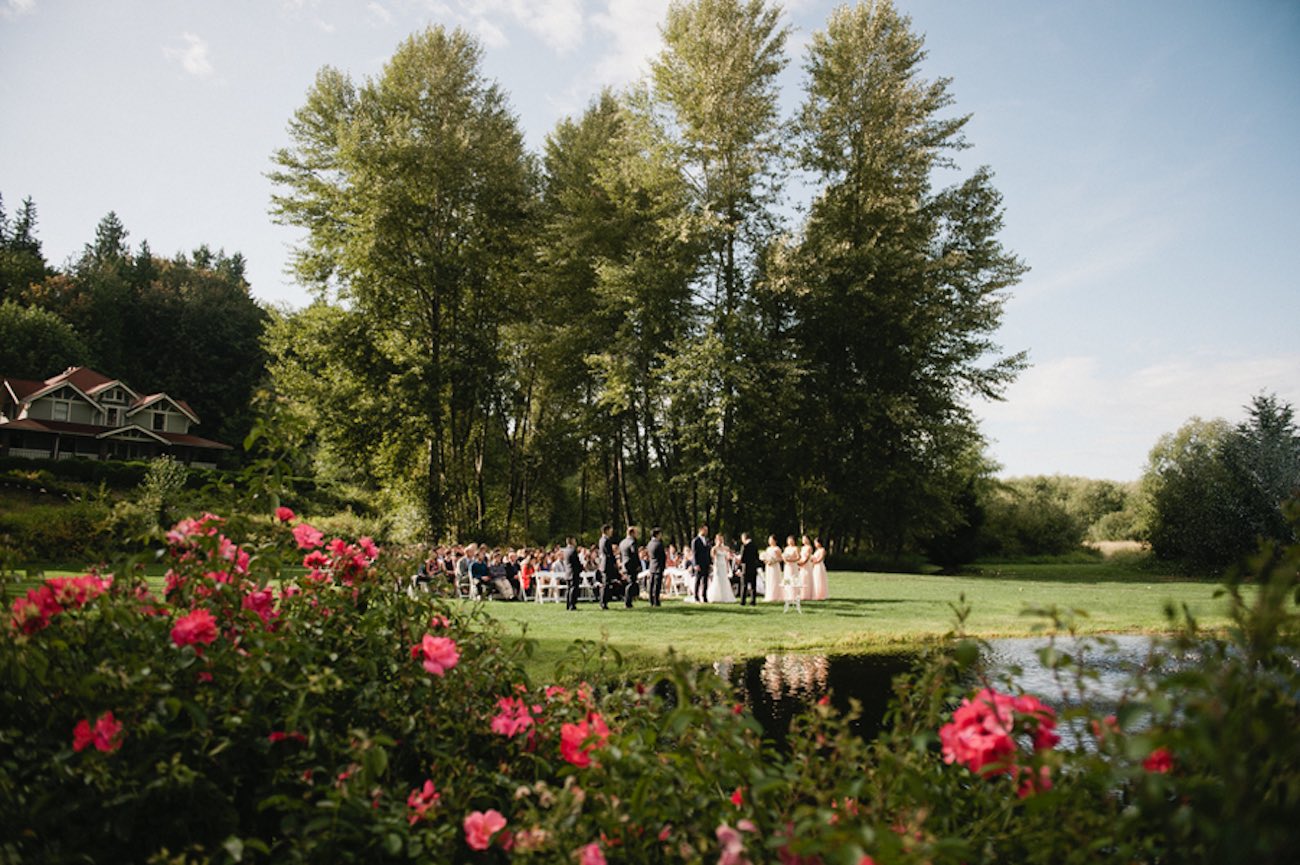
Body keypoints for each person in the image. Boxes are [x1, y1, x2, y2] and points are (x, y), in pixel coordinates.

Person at [708, 532, 737, 603]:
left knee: (724, 580)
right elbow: (712, 558)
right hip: (717, 565)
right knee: (717, 579)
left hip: (723, 565)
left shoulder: (726, 548)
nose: (720, 541)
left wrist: (727, 567)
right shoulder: (714, 548)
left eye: (721, 539)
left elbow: (727, 558)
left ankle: (725, 596)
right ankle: (716, 596)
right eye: (719, 539)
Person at [617, 525, 641, 608]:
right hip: (631, 564)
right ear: (632, 533)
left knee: (629, 582)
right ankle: (627, 601)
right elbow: (634, 554)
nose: (637, 534)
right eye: (636, 532)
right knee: (631, 583)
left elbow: (620, 554)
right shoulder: (632, 542)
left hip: (624, 564)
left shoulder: (622, 542)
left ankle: (628, 600)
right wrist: (638, 564)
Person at [598, 524, 620, 610]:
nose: (612, 532)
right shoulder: (606, 540)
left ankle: (603, 602)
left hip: (604, 563)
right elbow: (609, 554)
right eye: (610, 530)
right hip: (607, 564)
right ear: (607, 530)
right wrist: (615, 563)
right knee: (606, 584)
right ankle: (603, 603)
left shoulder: (601, 540)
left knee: (606, 584)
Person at [645, 526, 666, 607]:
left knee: (651, 584)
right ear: (657, 534)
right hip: (658, 566)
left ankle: (651, 600)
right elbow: (662, 556)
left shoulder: (649, 543)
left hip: (652, 565)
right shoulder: (659, 544)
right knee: (657, 585)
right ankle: (656, 601)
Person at [737, 531, 760, 606]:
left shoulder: (744, 546)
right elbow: (757, 557)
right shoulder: (755, 546)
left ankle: (742, 601)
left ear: (744, 538)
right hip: (753, 567)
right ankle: (753, 601)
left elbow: (743, 559)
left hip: (746, 568)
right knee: (753, 585)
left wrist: (738, 560)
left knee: (744, 585)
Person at [781, 535, 802, 614]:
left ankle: (794, 596)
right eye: (788, 540)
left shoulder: (795, 548)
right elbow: (783, 556)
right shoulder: (786, 548)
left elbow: (798, 557)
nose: (789, 541)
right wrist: (785, 559)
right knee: (787, 580)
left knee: (793, 580)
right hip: (787, 566)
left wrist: (792, 560)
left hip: (793, 566)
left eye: (791, 540)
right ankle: (787, 595)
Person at [691, 524, 711, 603]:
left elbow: (708, 552)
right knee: (698, 580)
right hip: (699, 563)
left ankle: (704, 596)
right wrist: (695, 564)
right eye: (705, 530)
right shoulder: (695, 540)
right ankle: (696, 596)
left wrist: (709, 563)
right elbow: (694, 553)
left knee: (705, 581)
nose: (706, 532)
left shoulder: (707, 540)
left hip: (706, 563)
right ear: (701, 530)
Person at [763, 535, 784, 603]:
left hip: (775, 566)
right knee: (769, 580)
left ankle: (776, 595)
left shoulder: (777, 549)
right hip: (768, 566)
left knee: (774, 580)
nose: (770, 541)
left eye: (771, 540)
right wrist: (766, 561)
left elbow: (780, 558)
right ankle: (769, 595)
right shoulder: (768, 548)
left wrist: (773, 561)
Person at [563, 536, 583, 610]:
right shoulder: (573, 550)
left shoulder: (565, 550)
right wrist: (581, 568)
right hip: (573, 572)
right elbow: (576, 562)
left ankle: (568, 604)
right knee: (573, 589)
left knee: (569, 589)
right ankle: (572, 605)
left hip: (568, 572)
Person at [798, 534, 814, 601]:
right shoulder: (802, 548)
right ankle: (802, 594)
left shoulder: (809, 547)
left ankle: (807, 594)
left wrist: (802, 563)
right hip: (802, 563)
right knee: (802, 578)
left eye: (805, 539)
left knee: (806, 578)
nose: (803, 540)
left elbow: (807, 557)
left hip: (806, 564)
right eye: (803, 539)